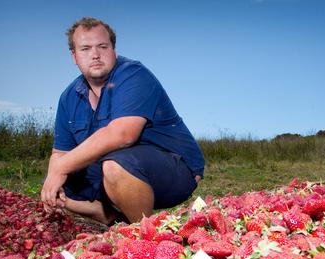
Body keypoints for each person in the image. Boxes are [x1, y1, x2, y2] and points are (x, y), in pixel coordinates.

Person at [41, 17, 204, 225]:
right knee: (55, 188)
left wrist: (61, 168)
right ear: (74, 56)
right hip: (118, 170)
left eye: (102, 46)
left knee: (115, 166)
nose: (95, 55)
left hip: (175, 168)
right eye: (85, 49)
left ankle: (145, 235)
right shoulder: (69, 97)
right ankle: (114, 220)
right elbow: (60, 153)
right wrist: (54, 176)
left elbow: (123, 134)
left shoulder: (133, 75)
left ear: (113, 50)